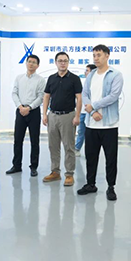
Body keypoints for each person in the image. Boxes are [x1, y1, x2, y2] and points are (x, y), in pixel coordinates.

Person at [77, 45, 124, 200]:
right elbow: (85, 94)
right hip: (91, 124)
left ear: (107, 56)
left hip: (109, 124)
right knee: (91, 157)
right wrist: (92, 112)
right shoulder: (91, 75)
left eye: (99, 55)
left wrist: (94, 106)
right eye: (94, 55)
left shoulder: (115, 75)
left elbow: (113, 96)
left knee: (111, 158)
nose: (96, 58)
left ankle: (111, 187)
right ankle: (90, 184)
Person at [42, 52, 82, 186]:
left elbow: (79, 98)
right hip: (53, 116)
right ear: (56, 63)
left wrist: (77, 116)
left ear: (68, 62)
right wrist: (44, 114)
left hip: (68, 116)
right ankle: (55, 172)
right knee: (53, 146)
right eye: (60, 61)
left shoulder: (74, 79)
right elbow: (46, 96)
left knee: (69, 146)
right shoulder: (51, 78)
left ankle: (69, 174)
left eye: (65, 61)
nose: (63, 63)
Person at [7, 54, 46, 177]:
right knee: (18, 139)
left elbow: (41, 97)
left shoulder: (41, 80)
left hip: (33, 112)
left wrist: (29, 108)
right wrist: (20, 107)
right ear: (26, 63)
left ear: (38, 65)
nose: (31, 64)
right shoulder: (19, 78)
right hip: (20, 111)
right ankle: (16, 165)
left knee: (35, 140)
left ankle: (33, 166)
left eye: (34, 62)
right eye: (29, 61)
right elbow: (14, 93)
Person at [75, 64, 97, 156]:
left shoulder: (96, 84)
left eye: (87, 70)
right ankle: (77, 148)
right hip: (82, 112)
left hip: (92, 112)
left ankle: (91, 151)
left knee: (91, 134)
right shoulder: (83, 82)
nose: (85, 72)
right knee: (81, 131)